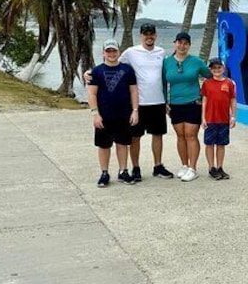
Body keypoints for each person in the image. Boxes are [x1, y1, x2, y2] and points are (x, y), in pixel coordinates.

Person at [84, 24, 174, 181]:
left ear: (156, 35)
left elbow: (168, 71)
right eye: (145, 34)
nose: (149, 37)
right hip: (139, 103)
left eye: (151, 34)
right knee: (134, 137)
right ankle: (135, 167)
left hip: (158, 101)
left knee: (157, 135)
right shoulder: (131, 52)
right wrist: (89, 72)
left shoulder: (161, 52)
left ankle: (158, 166)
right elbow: (111, 62)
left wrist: (168, 99)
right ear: (140, 36)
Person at [87, 39, 139, 187]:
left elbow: (134, 91)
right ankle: (104, 172)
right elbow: (92, 94)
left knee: (122, 143)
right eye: (108, 51)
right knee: (104, 145)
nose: (111, 54)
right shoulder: (96, 71)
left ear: (119, 52)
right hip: (104, 115)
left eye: (114, 51)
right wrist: (95, 113)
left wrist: (135, 111)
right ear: (103, 53)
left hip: (124, 114)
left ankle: (123, 171)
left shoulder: (127, 70)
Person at [163, 31, 211, 182]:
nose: (182, 46)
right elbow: (163, 83)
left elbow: (210, 77)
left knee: (191, 135)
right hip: (175, 104)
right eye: (180, 42)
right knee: (180, 135)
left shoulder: (196, 62)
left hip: (193, 102)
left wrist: (205, 96)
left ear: (189, 45)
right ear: (175, 43)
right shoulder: (167, 62)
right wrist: (165, 101)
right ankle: (184, 165)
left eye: (185, 43)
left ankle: (193, 168)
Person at [201, 57, 237, 180]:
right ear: (211, 70)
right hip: (210, 118)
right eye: (214, 68)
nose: (217, 70)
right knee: (209, 144)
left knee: (221, 144)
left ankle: (220, 167)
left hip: (224, 119)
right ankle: (211, 167)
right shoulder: (207, 83)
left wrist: (233, 117)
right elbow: (204, 101)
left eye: (219, 67)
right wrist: (203, 118)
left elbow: (233, 100)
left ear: (223, 68)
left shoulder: (229, 83)